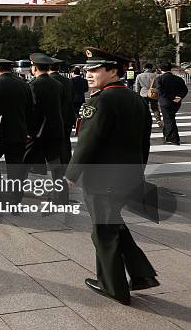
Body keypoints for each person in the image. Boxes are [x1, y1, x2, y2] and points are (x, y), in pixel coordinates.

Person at [66, 47, 159, 305]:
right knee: (113, 223)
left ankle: (113, 286)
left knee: (103, 231)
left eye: (95, 69)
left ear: (114, 71)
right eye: (87, 69)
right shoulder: (136, 100)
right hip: (127, 176)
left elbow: (88, 142)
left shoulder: (99, 101)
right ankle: (142, 274)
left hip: (102, 179)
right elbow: (144, 142)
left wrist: (71, 175)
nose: (88, 74)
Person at [0, 58, 33, 207]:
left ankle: (2, 195)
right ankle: (15, 200)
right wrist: (28, 130)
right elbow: (30, 110)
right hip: (19, 133)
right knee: (15, 168)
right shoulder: (24, 84)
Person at [25, 53, 67, 205]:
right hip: (55, 130)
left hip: (37, 132)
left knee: (23, 164)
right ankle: (61, 197)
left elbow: (33, 110)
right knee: (56, 166)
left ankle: (15, 195)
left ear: (34, 68)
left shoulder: (33, 85)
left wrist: (29, 131)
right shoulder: (58, 84)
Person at [49, 58, 76, 166]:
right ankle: (66, 162)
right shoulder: (68, 81)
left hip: (54, 118)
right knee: (65, 142)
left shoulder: (48, 81)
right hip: (67, 116)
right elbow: (72, 97)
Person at [155, 62, 188, 145]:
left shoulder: (159, 79)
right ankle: (167, 136)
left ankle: (174, 139)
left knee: (169, 120)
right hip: (177, 102)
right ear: (170, 69)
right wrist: (179, 97)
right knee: (169, 118)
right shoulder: (178, 79)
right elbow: (185, 90)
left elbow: (161, 91)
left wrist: (171, 97)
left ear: (160, 69)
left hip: (165, 102)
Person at [134, 63, 162, 127]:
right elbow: (159, 86)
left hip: (143, 94)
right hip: (153, 93)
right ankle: (158, 120)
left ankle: (144, 121)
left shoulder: (139, 76)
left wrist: (137, 95)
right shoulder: (157, 76)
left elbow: (137, 87)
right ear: (152, 68)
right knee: (155, 108)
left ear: (144, 68)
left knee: (144, 108)